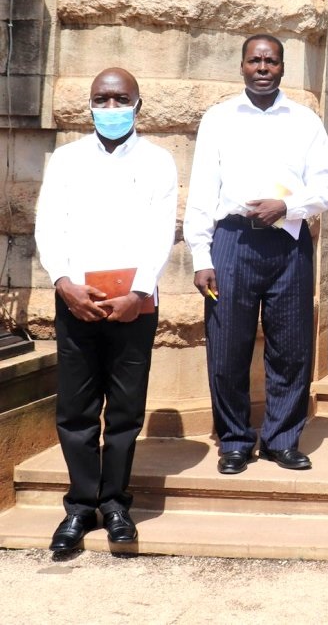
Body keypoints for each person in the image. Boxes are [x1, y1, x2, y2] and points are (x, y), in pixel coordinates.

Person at [183, 34, 328, 475]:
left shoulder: (304, 121)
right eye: (255, 61)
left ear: (283, 68)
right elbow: (201, 190)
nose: (263, 68)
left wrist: (288, 207)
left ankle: (281, 439)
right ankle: (233, 440)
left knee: (291, 349)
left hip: (287, 243)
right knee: (227, 346)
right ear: (242, 66)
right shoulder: (218, 119)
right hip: (231, 241)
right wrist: (201, 255)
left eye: (271, 61)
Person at [34, 68, 177, 551]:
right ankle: (79, 507)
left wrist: (138, 293)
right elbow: (49, 225)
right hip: (77, 302)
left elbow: (161, 230)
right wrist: (64, 283)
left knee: (125, 411)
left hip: (133, 306)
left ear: (139, 105)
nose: (110, 108)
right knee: (75, 410)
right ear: (89, 104)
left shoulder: (159, 162)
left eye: (120, 100)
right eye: (101, 99)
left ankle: (115, 503)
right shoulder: (67, 160)